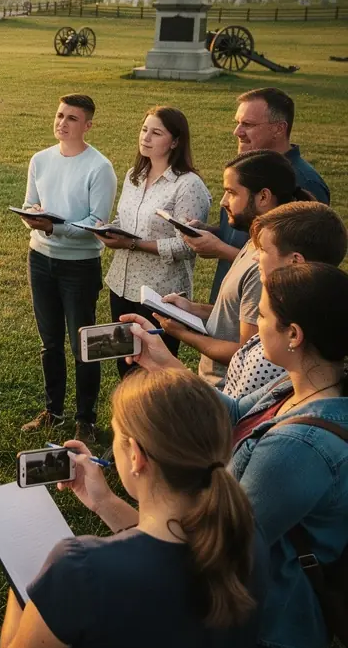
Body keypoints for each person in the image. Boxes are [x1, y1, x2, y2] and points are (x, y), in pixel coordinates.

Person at [130, 265, 348, 648]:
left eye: (263, 317)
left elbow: (220, 542)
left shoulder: (299, 450)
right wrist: (160, 361)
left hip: (270, 627)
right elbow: (232, 414)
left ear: (294, 334)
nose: (253, 331)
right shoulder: (301, 383)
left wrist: (115, 503)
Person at [0, 368, 264, 648]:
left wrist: (20, 574)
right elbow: (159, 551)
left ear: (136, 455)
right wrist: (103, 501)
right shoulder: (244, 546)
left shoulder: (81, 569)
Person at [125, 202, 348, 401]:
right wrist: (163, 362)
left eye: (260, 316)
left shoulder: (268, 357)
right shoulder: (313, 316)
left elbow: (230, 422)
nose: (255, 256)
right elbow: (234, 410)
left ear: (295, 261)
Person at [153, 150, 310, 387]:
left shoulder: (265, 266)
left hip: (231, 392)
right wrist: (192, 309)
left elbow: (243, 351)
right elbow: (236, 312)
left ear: (264, 197)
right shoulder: (254, 240)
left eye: (231, 192)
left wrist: (183, 334)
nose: (223, 201)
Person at [18, 94, 118, 443]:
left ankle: (85, 419)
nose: (62, 122)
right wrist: (34, 218)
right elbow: (31, 202)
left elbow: (97, 223)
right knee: (49, 343)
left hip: (79, 265)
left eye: (72, 118)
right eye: (60, 115)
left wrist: (53, 226)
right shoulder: (40, 159)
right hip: (40, 259)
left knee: (83, 345)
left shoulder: (99, 167)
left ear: (87, 125)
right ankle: (53, 411)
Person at [102, 106, 210, 376]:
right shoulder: (133, 176)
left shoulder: (188, 185)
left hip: (160, 293)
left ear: (175, 141)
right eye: (144, 129)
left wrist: (134, 244)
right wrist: (108, 230)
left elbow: (188, 245)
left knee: (153, 369)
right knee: (125, 362)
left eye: (156, 132)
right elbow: (124, 219)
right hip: (121, 284)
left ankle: (153, 418)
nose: (146, 137)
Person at [200, 88, 330, 302]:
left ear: (279, 129)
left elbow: (298, 268)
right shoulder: (247, 170)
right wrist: (211, 233)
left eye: (248, 124)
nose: (237, 132)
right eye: (238, 122)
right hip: (231, 304)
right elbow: (244, 231)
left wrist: (220, 249)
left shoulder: (304, 182)